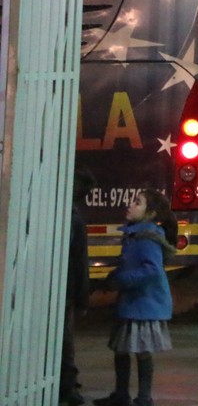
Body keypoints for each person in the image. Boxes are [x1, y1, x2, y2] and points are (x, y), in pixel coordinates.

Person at [94, 189, 178, 406]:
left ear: (150, 213)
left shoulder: (147, 238)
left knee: (141, 351)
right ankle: (122, 394)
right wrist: (113, 277)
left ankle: (143, 398)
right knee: (121, 349)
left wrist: (123, 279)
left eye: (137, 202)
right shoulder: (133, 234)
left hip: (144, 304)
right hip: (133, 302)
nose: (130, 205)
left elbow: (152, 270)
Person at [61, 169, 94, 406]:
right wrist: (83, 298)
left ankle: (65, 384)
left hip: (61, 290)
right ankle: (67, 385)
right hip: (67, 291)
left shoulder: (60, 216)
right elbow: (81, 263)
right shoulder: (75, 218)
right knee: (64, 341)